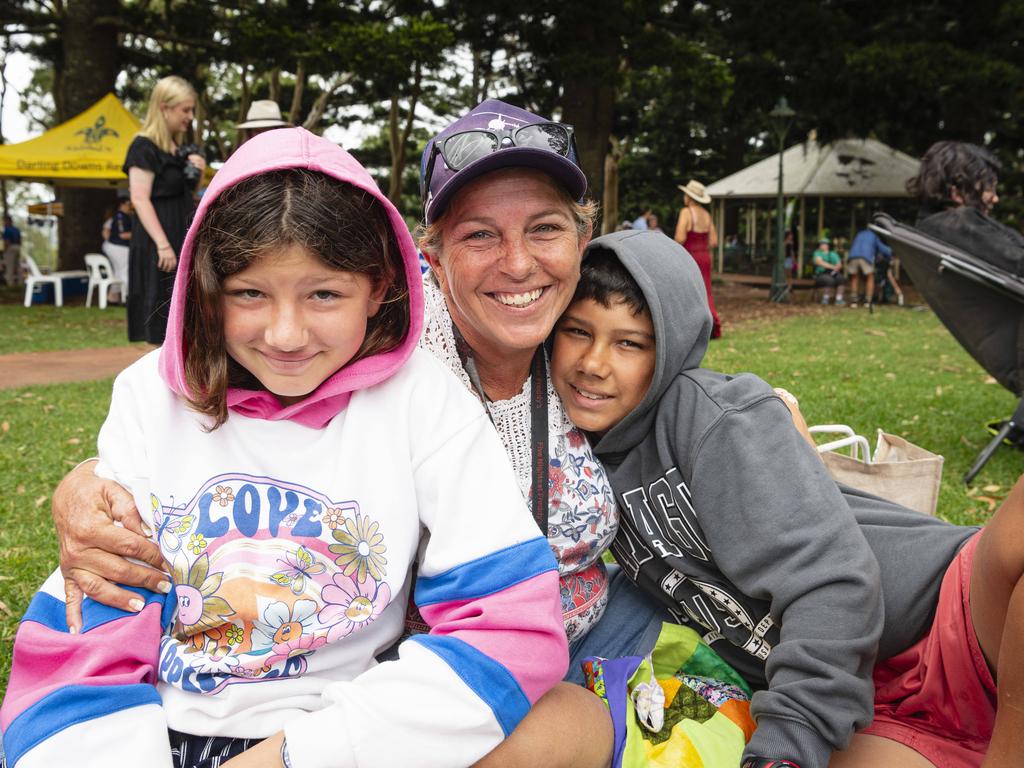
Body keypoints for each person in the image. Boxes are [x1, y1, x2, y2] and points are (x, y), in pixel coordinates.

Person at [45, 98, 667, 768]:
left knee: (575, 721)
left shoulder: (584, 358)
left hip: (371, 719)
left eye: (544, 230)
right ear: (428, 259)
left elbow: (511, 623)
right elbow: (94, 619)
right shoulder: (159, 395)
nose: (517, 264)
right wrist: (89, 485)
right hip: (202, 719)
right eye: (481, 235)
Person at [550, 228, 1024, 768]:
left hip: (950, 620)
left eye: (629, 341)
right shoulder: (573, 459)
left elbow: (836, 586)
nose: (593, 362)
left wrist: (785, 749)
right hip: (872, 704)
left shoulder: (711, 418)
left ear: (673, 345)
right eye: (577, 331)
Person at [124, 75, 206, 344]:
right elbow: (139, 198)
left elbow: (184, 196)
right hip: (157, 243)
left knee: (182, 319)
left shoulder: (177, 150)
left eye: (191, 110)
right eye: (185, 110)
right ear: (164, 108)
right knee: (159, 321)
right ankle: (155, 383)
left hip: (179, 236)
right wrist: (162, 244)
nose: (190, 117)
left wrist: (198, 175)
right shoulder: (143, 147)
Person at [907, 140, 1023, 277]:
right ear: (956, 193)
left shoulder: (927, 227)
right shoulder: (959, 225)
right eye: (989, 187)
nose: (995, 198)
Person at [674, 179, 721, 338]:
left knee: (687, 291)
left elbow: (680, 237)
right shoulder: (706, 215)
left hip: (690, 256)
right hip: (705, 256)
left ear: (689, 197)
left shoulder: (686, 212)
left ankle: (691, 327)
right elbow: (714, 241)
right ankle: (711, 325)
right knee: (705, 291)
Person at [845, 225, 892, 308]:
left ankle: (854, 301)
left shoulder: (859, 234)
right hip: (865, 257)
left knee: (855, 277)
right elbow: (884, 250)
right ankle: (868, 300)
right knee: (870, 277)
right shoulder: (874, 236)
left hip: (853, 256)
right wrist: (891, 253)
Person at [102, 191, 132, 303]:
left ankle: (112, 297)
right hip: (118, 247)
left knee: (118, 272)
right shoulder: (121, 217)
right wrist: (140, 235)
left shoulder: (122, 217)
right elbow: (123, 234)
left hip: (116, 246)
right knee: (125, 271)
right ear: (122, 204)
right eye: (128, 204)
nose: (130, 207)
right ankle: (126, 297)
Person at [812, 236, 845, 305]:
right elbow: (819, 262)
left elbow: (839, 264)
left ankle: (839, 299)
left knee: (841, 278)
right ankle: (825, 298)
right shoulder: (817, 253)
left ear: (828, 245)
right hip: (821, 274)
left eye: (824, 244)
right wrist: (833, 267)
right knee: (829, 280)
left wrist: (836, 267)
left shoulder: (833, 254)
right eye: (821, 244)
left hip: (832, 273)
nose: (822, 245)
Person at [2, 213, 21, 287]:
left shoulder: (7, 230)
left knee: (9, 266)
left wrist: (5, 251)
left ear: (7, 221)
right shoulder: (16, 229)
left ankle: (10, 284)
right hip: (17, 247)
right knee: (17, 266)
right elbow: (20, 241)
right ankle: (20, 282)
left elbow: (7, 242)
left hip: (11, 248)